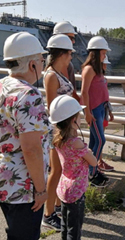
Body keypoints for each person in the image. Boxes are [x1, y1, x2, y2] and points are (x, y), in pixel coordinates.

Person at [0, 32, 51, 239]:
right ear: (32, 65)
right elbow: (31, 148)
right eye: (41, 60)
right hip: (24, 185)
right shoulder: (29, 95)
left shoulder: (3, 86)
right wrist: (40, 190)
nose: (43, 65)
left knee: (15, 230)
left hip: (5, 178)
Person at [49, 95, 97, 240]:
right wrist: (88, 152)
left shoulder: (58, 139)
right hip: (76, 191)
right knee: (74, 230)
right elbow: (94, 162)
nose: (81, 119)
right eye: (79, 116)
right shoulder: (76, 143)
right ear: (73, 120)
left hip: (64, 188)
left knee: (65, 225)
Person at [42, 34, 75, 231]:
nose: (71, 57)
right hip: (58, 131)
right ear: (62, 53)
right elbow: (51, 107)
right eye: (70, 53)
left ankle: (56, 206)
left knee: (61, 170)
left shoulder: (58, 72)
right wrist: (61, 133)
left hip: (66, 129)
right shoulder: (51, 76)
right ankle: (48, 214)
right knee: (56, 171)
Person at [81, 36, 113, 186]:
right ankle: (93, 172)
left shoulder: (99, 69)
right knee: (101, 140)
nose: (105, 55)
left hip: (101, 109)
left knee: (94, 141)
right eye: (103, 53)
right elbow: (84, 92)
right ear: (96, 52)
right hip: (93, 110)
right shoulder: (89, 69)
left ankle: (88, 170)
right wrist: (87, 113)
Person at [53, 21, 80, 102]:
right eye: (71, 38)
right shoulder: (61, 63)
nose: (73, 41)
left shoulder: (53, 61)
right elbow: (68, 88)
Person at [99, 55, 115, 171]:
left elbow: (106, 97)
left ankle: (99, 160)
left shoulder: (104, 78)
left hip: (103, 111)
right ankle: (97, 161)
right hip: (98, 111)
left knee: (101, 136)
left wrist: (110, 111)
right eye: (104, 64)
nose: (105, 67)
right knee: (99, 138)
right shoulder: (95, 78)